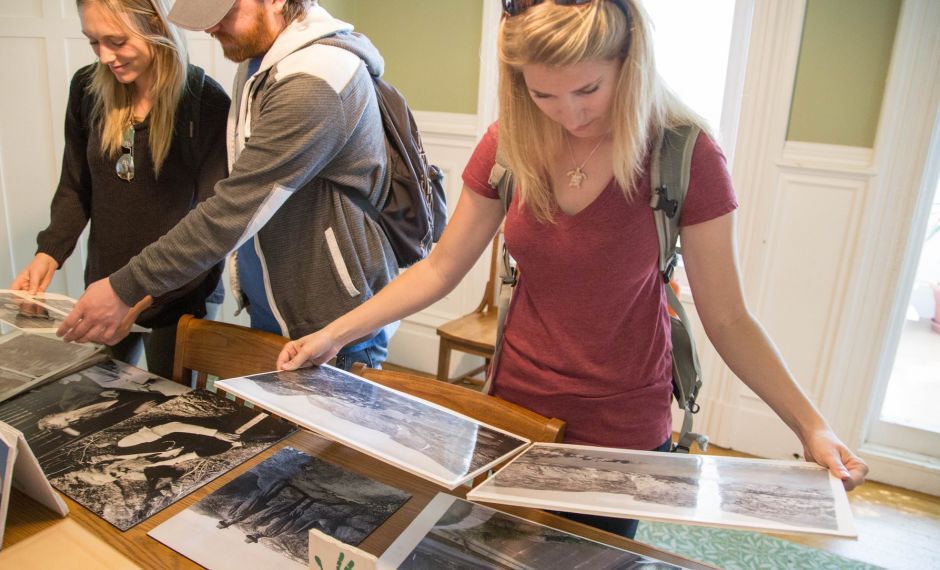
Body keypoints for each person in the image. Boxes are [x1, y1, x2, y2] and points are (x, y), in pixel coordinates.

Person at [276, 0, 869, 538]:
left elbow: (730, 317)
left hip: (623, 426)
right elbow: (440, 269)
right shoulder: (509, 143)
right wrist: (333, 335)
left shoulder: (685, 155)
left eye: (588, 89)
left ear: (630, 63)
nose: (569, 113)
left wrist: (810, 426)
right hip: (513, 409)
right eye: (543, 95)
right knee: (496, 551)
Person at [55, 0, 398, 371]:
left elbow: (231, 211)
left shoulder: (314, 84)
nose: (210, 27)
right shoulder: (263, 62)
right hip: (280, 307)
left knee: (318, 431)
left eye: (223, 12)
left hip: (332, 323)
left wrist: (126, 286)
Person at [12, 0, 229, 378]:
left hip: (178, 296)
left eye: (116, 41)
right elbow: (76, 185)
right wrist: (48, 254)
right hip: (104, 288)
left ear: (156, 27)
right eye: (93, 42)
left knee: (169, 411)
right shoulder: (87, 89)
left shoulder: (203, 103)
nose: (105, 56)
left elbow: (212, 226)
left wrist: (139, 293)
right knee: (97, 396)